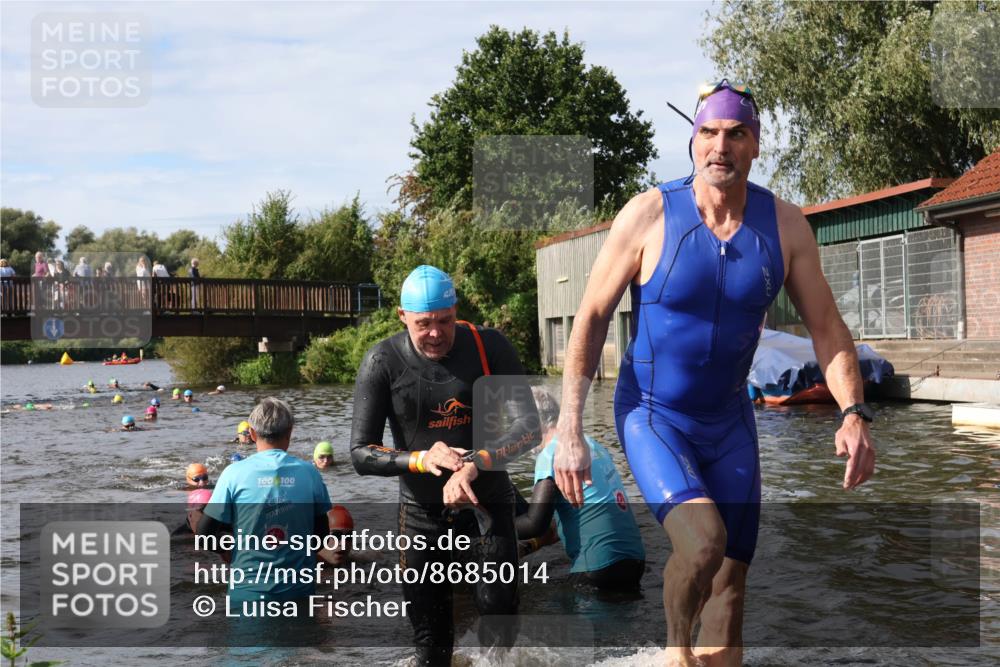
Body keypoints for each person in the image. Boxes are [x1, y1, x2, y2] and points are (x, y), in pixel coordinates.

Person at [551, 80, 877, 667]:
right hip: (654, 415)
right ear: (693, 140)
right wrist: (569, 427)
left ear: (756, 146)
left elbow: (828, 328)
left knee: (730, 584)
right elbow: (592, 316)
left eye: (736, 134)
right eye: (708, 133)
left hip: (730, 422)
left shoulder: (785, 227)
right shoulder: (649, 215)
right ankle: (675, 654)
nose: (720, 146)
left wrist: (853, 412)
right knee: (704, 544)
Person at [350, 264, 540, 666]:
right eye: (424, 324)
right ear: (402, 316)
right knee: (431, 642)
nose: (436, 333)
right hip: (421, 515)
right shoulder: (382, 361)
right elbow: (361, 453)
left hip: (487, 503)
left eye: (445, 321)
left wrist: (475, 463)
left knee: (499, 615)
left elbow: (529, 428)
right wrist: (420, 459)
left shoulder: (489, 347)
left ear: (456, 311)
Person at [198, 397, 332, 613]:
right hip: (298, 592)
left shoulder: (233, 474)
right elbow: (321, 535)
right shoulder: (310, 474)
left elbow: (205, 535)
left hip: (247, 594)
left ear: (252, 434)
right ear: (290, 432)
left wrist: (231, 550)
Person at [515, 387, 645, 591]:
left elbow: (535, 524)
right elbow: (573, 519)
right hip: (635, 563)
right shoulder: (592, 445)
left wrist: (488, 534)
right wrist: (530, 546)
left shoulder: (551, 454)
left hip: (597, 569)